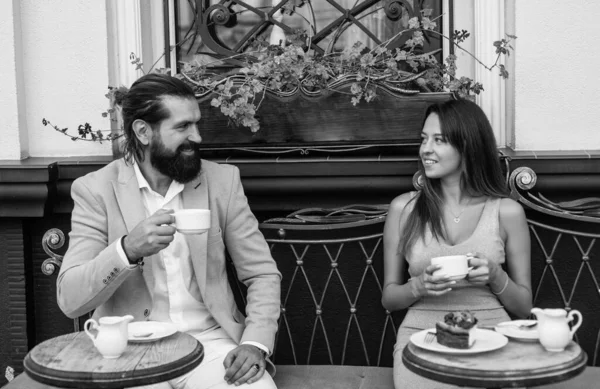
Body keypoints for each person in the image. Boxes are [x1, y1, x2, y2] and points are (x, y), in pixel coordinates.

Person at [56, 73, 281, 389]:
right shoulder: (95, 191)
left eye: (196, 124)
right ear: (144, 132)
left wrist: (255, 342)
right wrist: (127, 250)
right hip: (130, 350)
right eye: (183, 127)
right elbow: (71, 299)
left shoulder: (222, 182)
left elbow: (261, 274)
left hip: (210, 343)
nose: (198, 137)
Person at [382, 99, 532, 388]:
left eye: (439, 140)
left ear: (467, 146)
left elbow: (524, 307)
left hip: (490, 334)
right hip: (422, 334)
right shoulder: (403, 209)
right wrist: (417, 287)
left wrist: (496, 276)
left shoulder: (506, 212)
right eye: (424, 139)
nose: (426, 149)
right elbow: (389, 299)